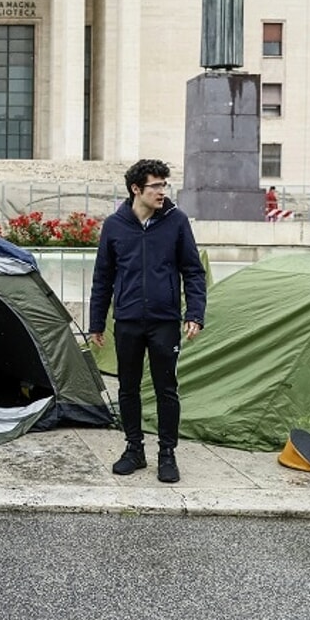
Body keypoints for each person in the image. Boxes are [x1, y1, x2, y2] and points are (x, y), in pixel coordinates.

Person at [88, 160, 206, 483]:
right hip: (126, 321)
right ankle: (134, 449)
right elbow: (103, 277)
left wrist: (194, 313)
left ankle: (167, 454)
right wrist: (96, 323)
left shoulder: (176, 222)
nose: (162, 192)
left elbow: (193, 271)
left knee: (167, 389)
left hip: (165, 321)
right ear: (136, 189)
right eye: (156, 186)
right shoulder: (114, 226)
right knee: (127, 387)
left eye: (164, 185)